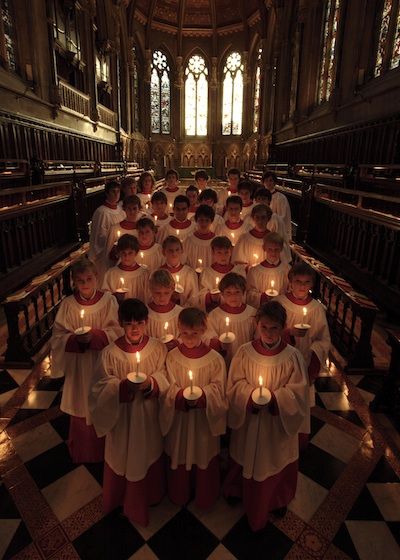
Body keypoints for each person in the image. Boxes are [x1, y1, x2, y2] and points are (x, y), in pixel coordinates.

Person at [224, 301, 309, 532]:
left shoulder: (293, 357)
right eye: (264, 327)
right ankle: (237, 489)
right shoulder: (244, 352)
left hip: (276, 424)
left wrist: (276, 400)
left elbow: (298, 392)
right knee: (244, 452)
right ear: (256, 325)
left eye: (274, 328)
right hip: (250, 420)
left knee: (275, 457)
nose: (269, 333)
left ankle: (278, 497)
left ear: (283, 327)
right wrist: (249, 396)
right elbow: (234, 385)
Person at [89, 299, 169, 527]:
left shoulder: (158, 348)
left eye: (139, 323)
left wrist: (151, 383)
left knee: (149, 449)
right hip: (122, 418)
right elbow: (98, 387)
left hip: (148, 415)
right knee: (124, 454)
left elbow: (165, 375)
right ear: (121, 324)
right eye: (129, 324)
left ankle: (151, 495)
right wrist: (122, 387)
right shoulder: (109, 353)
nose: (135, 329)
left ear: (147, 323)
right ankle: (122, 497)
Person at [50, 258, 122, 463]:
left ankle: (108, 451)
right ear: (74, 282)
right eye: (80, 280)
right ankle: (84, 450)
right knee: (81, 401)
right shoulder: (68, 305)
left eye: (89, 278)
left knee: (104, 400)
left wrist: (96, 336)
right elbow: (57, 337)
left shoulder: (108, 301)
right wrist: (74, 339)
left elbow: (117, 331)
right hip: (79, 365)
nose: (86, 283)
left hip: (101, 362)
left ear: (96, 277)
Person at [160, 307, 228, 510]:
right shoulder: (171, 357)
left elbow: (219, 389)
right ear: (178, 329)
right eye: (185, 333)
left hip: (203, 420)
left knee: (203, 450)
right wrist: (180, 396)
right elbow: (167, 386)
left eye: (195, 333)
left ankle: (204, 495)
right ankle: (180, 492)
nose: (189, 338)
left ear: (204, 330)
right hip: (179, 419)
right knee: (179, 450)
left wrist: (202, 395)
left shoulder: (215, 359)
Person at [275, 262, 331, 447]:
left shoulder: (316, 309)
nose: (301, 286)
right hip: (280, 362)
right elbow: (266, 331)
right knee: (281, 399)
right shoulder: (279, 303)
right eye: (297, 281)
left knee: (299, 402)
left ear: (312, 285)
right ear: (290, 281)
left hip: (305, 362)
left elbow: (323, 340)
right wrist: (287, 333)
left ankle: (296, 440)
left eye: (306, 282)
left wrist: (313, 363)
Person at [208, 273, 256, 366]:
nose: (233, 296)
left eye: (237, 292)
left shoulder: (252, 313)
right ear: (222, 294)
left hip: (247, 360)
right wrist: (219, 345)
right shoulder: (215, 315)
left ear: (243, 292)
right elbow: (210, 337)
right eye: (228, 292)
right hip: (224, 359)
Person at [88, 180, 126, 285]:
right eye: (113, 191)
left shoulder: (120, 210)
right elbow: (99, 236)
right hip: (106, 253)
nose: (116, 194)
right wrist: (113, 243)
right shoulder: (101, 212)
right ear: (107, 193)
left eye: (118, 191)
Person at [198, 236, 246, 312]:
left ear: (231, 252)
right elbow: (200, 295)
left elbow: (244, 293)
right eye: (219, 252)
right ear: (213, 253)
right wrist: (210, 297)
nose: (223, 256)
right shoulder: (206, 272)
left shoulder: (239, 271)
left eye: (226, 252)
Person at [246, 232, 289, 308]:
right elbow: (249, 294)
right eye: (270, 249)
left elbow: (289, 291)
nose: (273, 252)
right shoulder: (254, 271)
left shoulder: (287, 269)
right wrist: (262, 297)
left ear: (281, 248)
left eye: (276, 249)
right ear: (264, 248)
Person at [102, 234, 149, 303]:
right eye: (123, 253)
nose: (126, 256)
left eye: (130, 253)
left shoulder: (144, 273)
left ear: (136, 253)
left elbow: (148, 296)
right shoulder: (111, 273)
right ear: (119, 253)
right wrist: (116, 296)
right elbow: (106, 296)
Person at [160, 236, 199, 307]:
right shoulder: (158, 273)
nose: (174, 253)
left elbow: (194, 298)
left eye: (177, 250)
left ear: (182, 250)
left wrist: (181, 305)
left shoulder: (189, 273)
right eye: (170, 250)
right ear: (163, 252)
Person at [105, 195, 143, 266]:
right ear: (124, 209)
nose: (132, 211)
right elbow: (108, 252)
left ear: (139, 209)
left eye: (134, 208)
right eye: (129, 208)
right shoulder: (115, 228)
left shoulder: (142, 229)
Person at [147, 269, 182, 343]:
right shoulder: (145, 313)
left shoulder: (180, 313)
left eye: (166, 293)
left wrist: (177, 342)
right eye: (158, 293)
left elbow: (184, 336)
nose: (162, 297)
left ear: (172, 289)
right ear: (151, 289)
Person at [183, 204, 216, 269]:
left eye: (207, 220)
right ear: (196, 220)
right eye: (201, 220)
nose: (204, 224)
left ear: (211, 221)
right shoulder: (189, 241)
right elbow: (184, 262)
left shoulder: (216, 241)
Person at [262, 171, 292, 241]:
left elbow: (283, 217)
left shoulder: (281, 198)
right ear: (263, 182)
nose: (268, 183)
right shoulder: (260, 196)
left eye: (271, 180)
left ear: (274, 182)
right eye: (266, 180)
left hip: (275, 233)